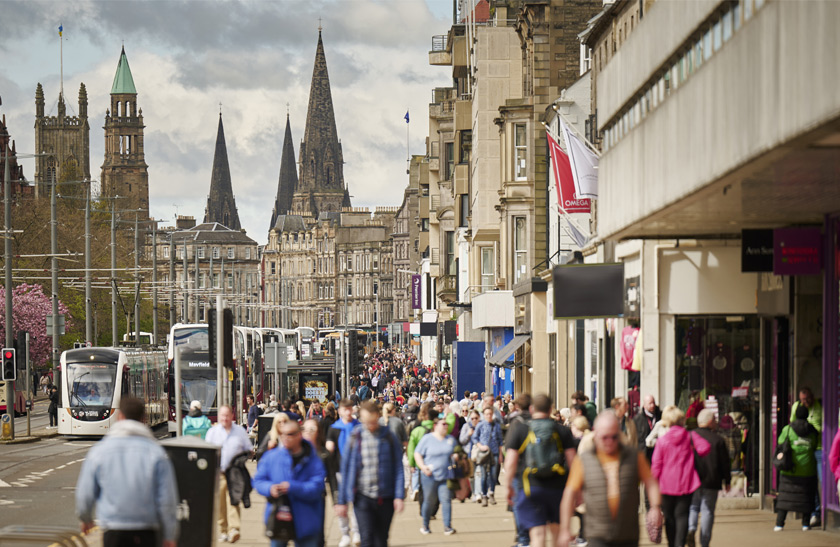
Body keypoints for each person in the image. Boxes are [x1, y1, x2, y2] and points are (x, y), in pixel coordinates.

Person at [75, 397, 178, 547]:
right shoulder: (156, 453)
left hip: (113, 529)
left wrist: (85, 518)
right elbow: (167, 499)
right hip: (147, 529)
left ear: (120, 416)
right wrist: (170, 534)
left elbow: (85, 492)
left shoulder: (99, 451)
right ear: (143, 418)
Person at [559, 410, 662, 547]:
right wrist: (565, 529)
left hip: (627, 534)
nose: (610, 442)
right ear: (595, 436)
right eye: (605, 437)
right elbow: (569, 493)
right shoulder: (584, 460)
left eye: (614, 437)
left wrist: (655, 507)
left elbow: (650, 482)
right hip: (597, 533)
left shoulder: (633, 456)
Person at [505, 394, 577, 547]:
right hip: (557, 489)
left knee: (537, 535)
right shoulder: (562, 430)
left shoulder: (521, 429)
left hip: (530, 488)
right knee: (557, 534)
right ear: (551, 409)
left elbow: (510, 461)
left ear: (531, 409)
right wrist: (577, 490)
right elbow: (573, 462)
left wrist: (508, 486)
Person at [336, 401, 405, 547]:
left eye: (373, 422)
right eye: (366, 422)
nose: (370, 426)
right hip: (362, 497)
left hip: (385, 497)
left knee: (381, 540)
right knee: (366, 538)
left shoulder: (389, 437)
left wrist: (399, 496)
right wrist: (341, 501)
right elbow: (346, 469)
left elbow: (398, 467)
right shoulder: (355, 437)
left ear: (378, 417)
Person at [253, 420, 326, 547]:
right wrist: (270, 488)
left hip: (306, 519)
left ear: (299, 435)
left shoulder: (313, 459)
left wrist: (293, 487)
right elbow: (258, 480)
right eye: (282, 434)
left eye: (290, 434)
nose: (285, 438)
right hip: (278, 517)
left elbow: (317, 486)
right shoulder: (272, 457)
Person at [651, 406, 710, 547]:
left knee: (669, 518)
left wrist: (652, 485)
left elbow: (656, 465)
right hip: (686, 483)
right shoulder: (690, 436)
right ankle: (680, 544)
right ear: (682, 420)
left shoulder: (662, 441)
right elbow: (705, 448)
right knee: (683, 516)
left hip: (666, 485)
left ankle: (672, 544)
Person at [205, 405, 253, 543]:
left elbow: (249, 449)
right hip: (218, 474)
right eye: (222, 416)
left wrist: (243, 458)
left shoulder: (239, 431)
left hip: (234, 472)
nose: (225, 418)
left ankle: (234, 529)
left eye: (227, 415)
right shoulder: (212, 432)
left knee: (233, 500)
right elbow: (208, 452)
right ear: (219, 417)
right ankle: (223, 530)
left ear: (232, 416)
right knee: (220, 504)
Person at [687, 409, 731, 547]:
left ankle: (691, 529)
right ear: (710, 421)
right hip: (711, 480)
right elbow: (725, 462)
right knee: (707, 511)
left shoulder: (689, 437)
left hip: (692, 480)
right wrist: (727, 480)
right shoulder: (718, 440)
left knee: (693, 507)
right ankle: (704, 542)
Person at [774, 403, 819, 531]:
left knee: (785, 497)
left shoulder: (787, 429)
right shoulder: (812, 431)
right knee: (807, 498)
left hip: (790, 470)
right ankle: (805, 524)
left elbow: (780, 443)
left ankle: (779, 524)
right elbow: (815, 445)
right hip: (808, 470)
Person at [414, 414, 458, 535]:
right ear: (435, 426)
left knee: (446, 500)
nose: (445, 426)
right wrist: (423, 467)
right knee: (429, 501)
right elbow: (417, 453)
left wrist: (456, 456)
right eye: (443, 424)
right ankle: (425, 525)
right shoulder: (427, 439)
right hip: (429, 476)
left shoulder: (450, 439)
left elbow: (457, 451)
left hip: (445, 476)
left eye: (446, 424)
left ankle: (447, 527)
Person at [326, 399, 361, 547]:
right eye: (344, 409)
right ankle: (345, 534)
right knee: (341, 505)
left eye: (349, 409)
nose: (347, 412)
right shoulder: (334, 429)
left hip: (358, 473)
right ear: (339, 411)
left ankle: (357, 532)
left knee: (357, 503)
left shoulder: (359, 427)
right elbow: (329, 451)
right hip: (339, 472)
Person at [790, 387, 823, 526]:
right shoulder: (796, 407)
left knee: (824, 481)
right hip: (805, 450)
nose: (805, 402)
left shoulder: (820, 405)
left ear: (812, 396)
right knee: (810, 483)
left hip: (820, 448)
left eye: (808, 398)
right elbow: (792, 425)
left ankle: (828, 510)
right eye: (803, 399)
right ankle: (815, 513)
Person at [472, 405, 503, 506]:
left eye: (490, 414)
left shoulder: (496, 425)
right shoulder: (480, 425)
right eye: (486, 414)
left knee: (493, 475)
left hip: (494, 452)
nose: (489, 416)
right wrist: (480, 446)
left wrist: (501, 454)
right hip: (484, 453)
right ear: (484, 415)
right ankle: (484, 495)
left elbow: (500, 441)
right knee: (484, 476)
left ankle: (492, 493)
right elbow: (475, 437)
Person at [407, 402, 435, 502]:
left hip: (417, 456)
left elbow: (411, 447)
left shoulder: (417, 429)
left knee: (416, 473)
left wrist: (411, 463)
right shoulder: (436, 427)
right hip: (431, 458)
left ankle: (415, 489)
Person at [634, 395, 661, 462]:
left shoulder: (660, 416)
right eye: (650, 403)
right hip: (644, 453)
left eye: (653, 403)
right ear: (644, 405)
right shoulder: (638, 419)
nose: (652, 405)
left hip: (658, 451)